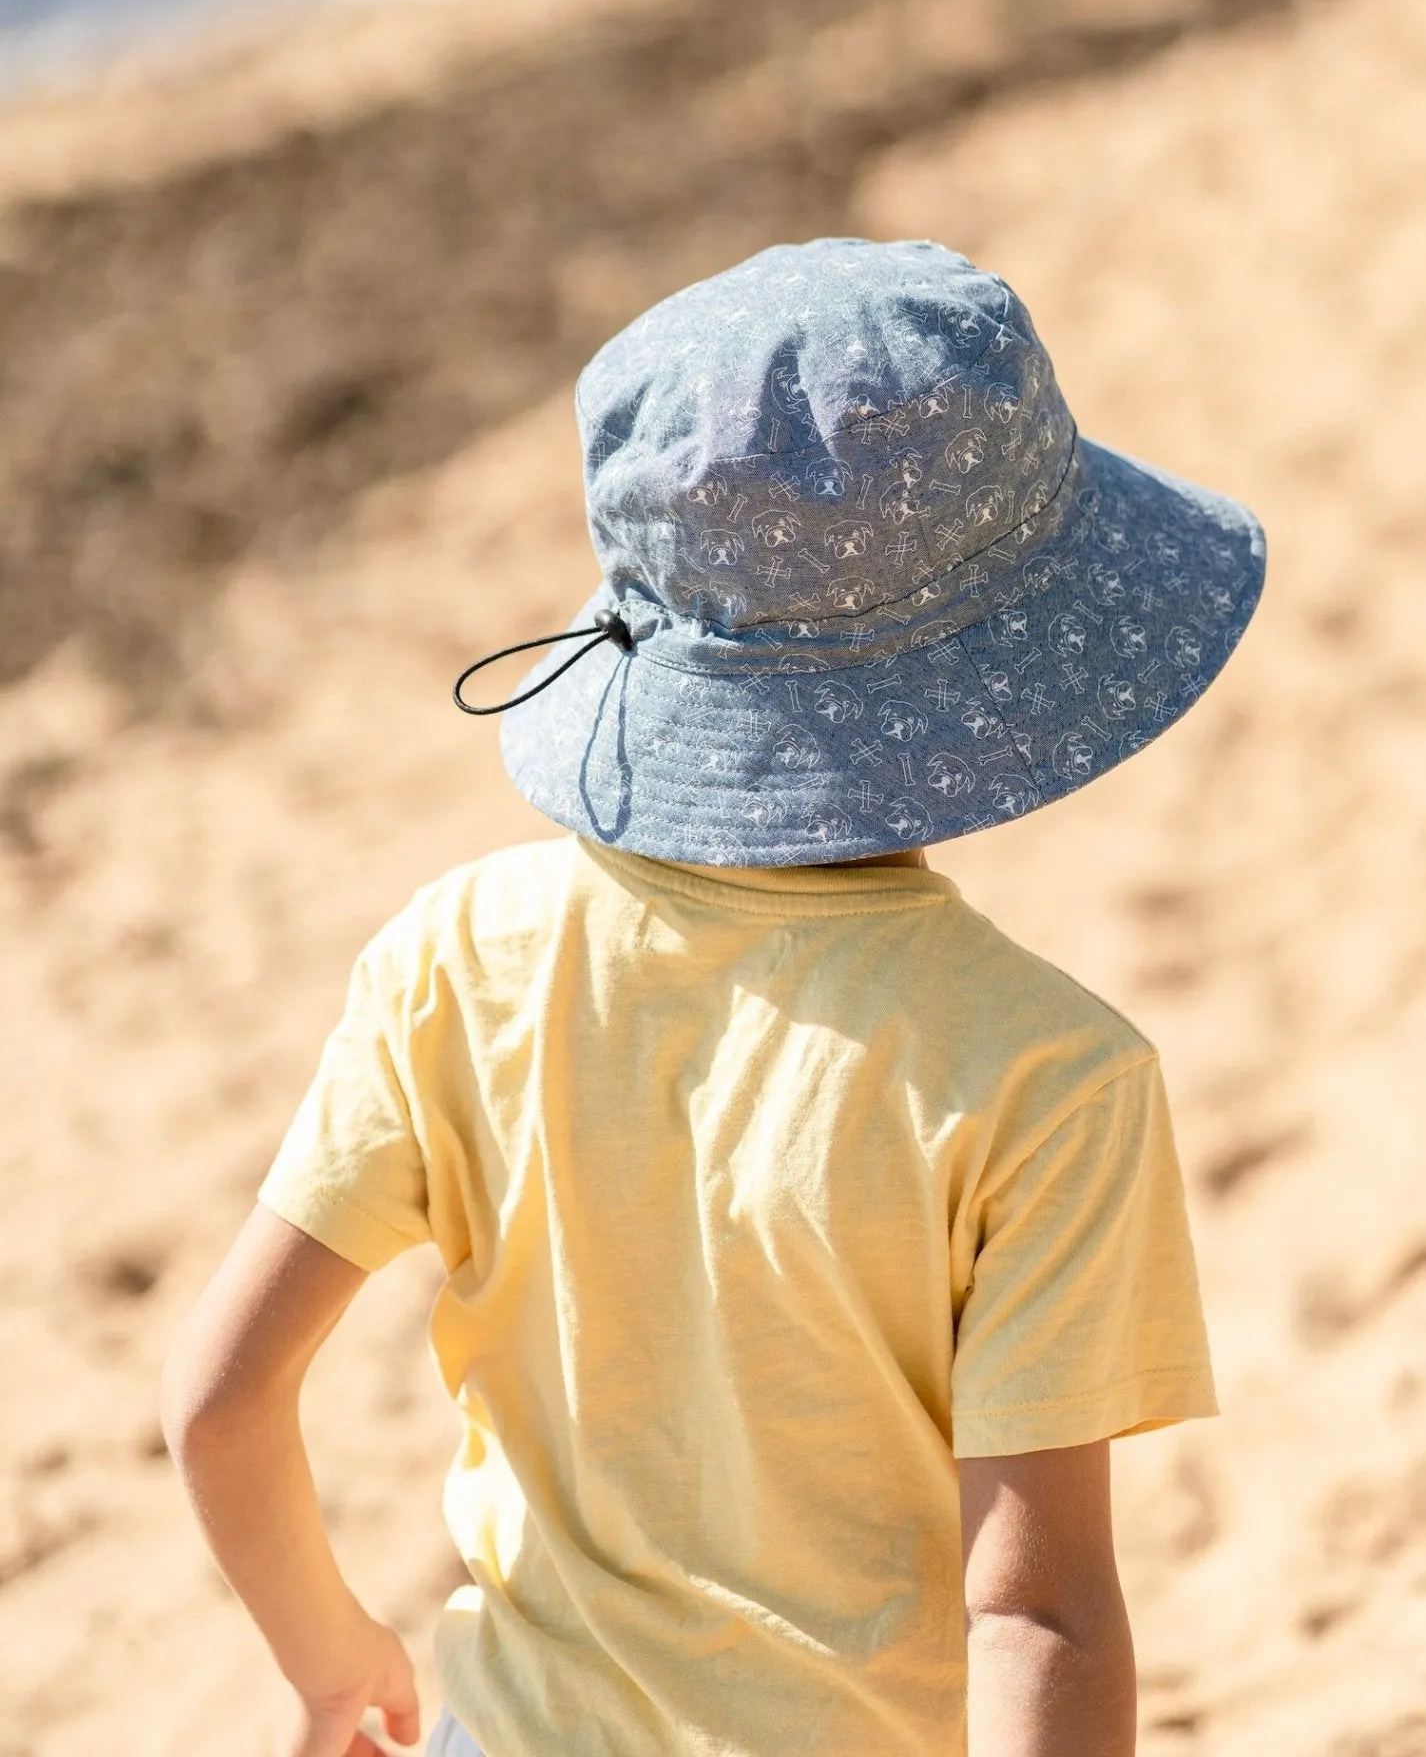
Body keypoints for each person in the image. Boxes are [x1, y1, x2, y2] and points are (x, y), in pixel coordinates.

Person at [162, 239, 1265, 1757]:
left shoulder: (456, 952)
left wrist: (330, 1660)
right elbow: (1037, 1613)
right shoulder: (1046, 1076)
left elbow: (220, 1402)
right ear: (1007, 668)